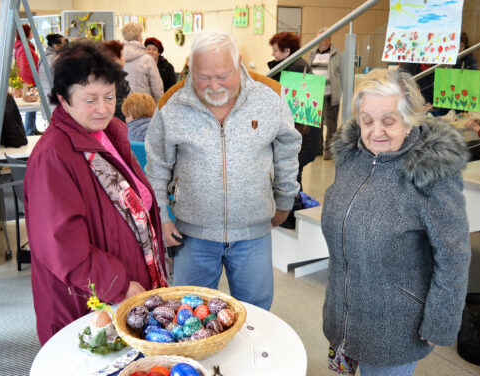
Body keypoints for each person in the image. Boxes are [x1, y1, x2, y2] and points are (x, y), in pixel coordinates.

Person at [321, 69, 471, 375]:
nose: (376, 131)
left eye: (388, 121)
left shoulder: (431, 173)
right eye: (367, 120)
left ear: (410, 119)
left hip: (396, 324)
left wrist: (442, 318)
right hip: (345, 314)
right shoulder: (352, 157)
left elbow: (453, 253)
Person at [24, 41, 168, 345]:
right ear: (63, 99)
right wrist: (119, 285)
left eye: (109, 96)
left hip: (126, 293)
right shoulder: (54, 156)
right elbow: (62, 247)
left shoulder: (111, 133)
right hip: (89, 302)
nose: (103, 108)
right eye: (90, 99)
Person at [146, 29, 301, 310]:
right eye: (203, 77)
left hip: (253, 232)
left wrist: (285, 198)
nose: (214, 86)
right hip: (192, 235)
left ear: (238, 62)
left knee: (255, 314)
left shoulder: (269, 96)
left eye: (222, 76)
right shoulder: (172, 104)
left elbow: (288, 149)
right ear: (190, 68)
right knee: (189, 314)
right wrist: (161, 216)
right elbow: (157, 164)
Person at [267, 31, 320, 229]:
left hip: (299, 139)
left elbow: (299, 116)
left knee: (291, 177)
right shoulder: (293, 67)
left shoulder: (297, 71)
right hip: (300, 139)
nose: (273, 55)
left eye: (275, 51)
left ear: (286, 51)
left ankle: (290, 217)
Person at [308, 27, 343, 160]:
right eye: (318, 39)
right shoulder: (312, 53)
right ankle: (317, 149)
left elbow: (341, 73)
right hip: (315, 94)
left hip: (330, 94)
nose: (319, 41)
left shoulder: (337, 53)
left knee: (331, 124)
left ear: (329, 39)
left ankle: (329, 150)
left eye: (322, 39)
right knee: (316, 124)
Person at [121, 22, 164, 102]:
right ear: (139, 38)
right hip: (144, 106)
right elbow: (157, 88)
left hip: (123, 106)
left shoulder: (116, 58)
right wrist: (161, 106)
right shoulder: (147, 59)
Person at [14, 24, 40, 135]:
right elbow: (25, 68)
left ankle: (32, 128)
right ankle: (29, 130)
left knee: (32, 107)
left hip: (28, 81)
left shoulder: (24, 47)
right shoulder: (25, 48)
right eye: (31, 31)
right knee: (31, 107)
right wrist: (38, 77)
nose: (32, 33)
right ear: (26, 33)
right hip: (30, 82)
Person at [38, 33, 67, 117]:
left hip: (46, 93)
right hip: (52, 95)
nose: (65, 46)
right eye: (63, 43)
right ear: (55, 45)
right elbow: (59, 77)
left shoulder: (44, 56)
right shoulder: (54, 58)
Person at [104, 40, 131, 122]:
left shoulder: (108, 74)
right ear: (115, 57)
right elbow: (118, 105)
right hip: (118, 121)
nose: (124, 58)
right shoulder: (115, 77)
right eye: (122, 55)